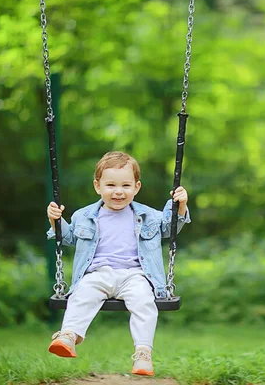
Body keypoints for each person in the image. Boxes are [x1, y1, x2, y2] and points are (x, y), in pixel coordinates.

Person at [45, 151, 190, 377]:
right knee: (81, 295)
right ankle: (69, 336)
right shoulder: (84, 216)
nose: (118, 191)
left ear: (136, 187)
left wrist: (179, 206)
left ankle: (143, 353)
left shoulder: (148, 216)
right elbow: (68, 238)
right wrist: (55, 220)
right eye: (111, 185)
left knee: (145, 302)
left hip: (135, 275)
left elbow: (169, 227)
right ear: (97, 186)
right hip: (97, 274)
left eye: (125, 185)